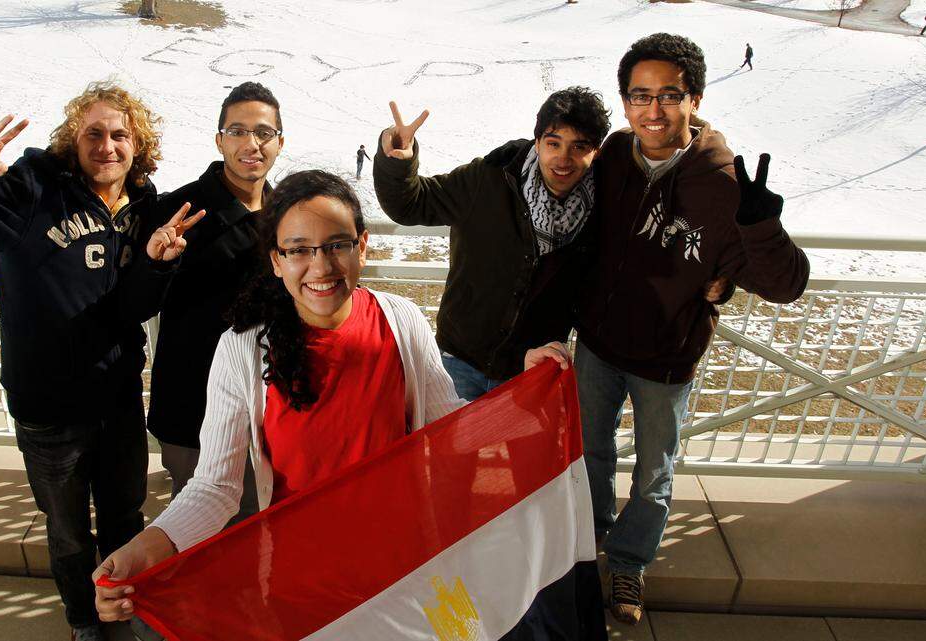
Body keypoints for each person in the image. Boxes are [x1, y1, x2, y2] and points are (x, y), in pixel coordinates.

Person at [92, 170, 582, 636]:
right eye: (300, 250)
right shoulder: (243, 348)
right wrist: (146, 548)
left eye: (336, 246)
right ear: (276, 260)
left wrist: (524, 394)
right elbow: (215, 488)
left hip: (409, 568)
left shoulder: (401, 321)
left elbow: (449, 432)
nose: (321, 267)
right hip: (303, 582)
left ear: (362, 247)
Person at [0, 82, 204, 641]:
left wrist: (156, 266)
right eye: (93, 133)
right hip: (49, 407)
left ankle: (121, 609)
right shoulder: (30, 191)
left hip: (117, 400)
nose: (106, 146)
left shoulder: (142, 209)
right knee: (66, 533)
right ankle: (85, 620)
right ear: (73, 140)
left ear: (137, 145)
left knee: (124, 519)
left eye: (119, 135)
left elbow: (131, 308)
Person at [575, 33, 810, 625]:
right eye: (640, 96)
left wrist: (757, 227)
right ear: (626, 102)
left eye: (669, 96)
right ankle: (583, 552)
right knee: (589, 459)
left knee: (654, 473)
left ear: (695, 99)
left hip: (667, 358)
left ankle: (629, 562)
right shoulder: (613, 160)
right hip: (599, 347)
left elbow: (786, 284)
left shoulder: (721, 181)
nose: (653, 111)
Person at [373, 88, 610, 402]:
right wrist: (397, 163)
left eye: (578, 147)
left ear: (595, 151)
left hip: (528, 371)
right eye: (553, 143)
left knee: (511, 453)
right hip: (458, 361)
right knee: (451, 449)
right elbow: (412, 204)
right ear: (537, 142)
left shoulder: (602, 208)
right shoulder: (489, 179)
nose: (563, 159)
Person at [146, 81, 283, 510]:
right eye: (238, 130)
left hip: (271, 409)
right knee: (200, 533)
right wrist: (159, 263)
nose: (251, 143)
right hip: (196, 410)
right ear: (219, 139)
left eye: (263, 132)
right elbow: (139, 301)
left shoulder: (288, 214)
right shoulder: (180, 210)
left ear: (280, 142)